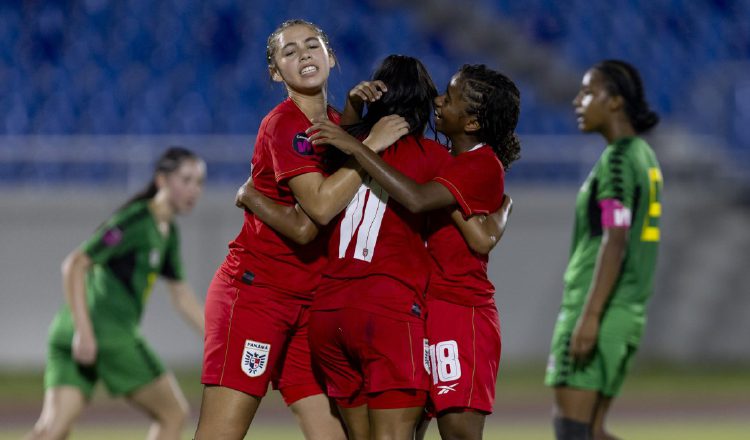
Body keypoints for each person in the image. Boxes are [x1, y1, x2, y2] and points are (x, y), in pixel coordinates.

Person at [194, 20, 404, 440]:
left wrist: (354, 124)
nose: (304, 54)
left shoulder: (334, 123)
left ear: (332, 57)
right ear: (275, 72)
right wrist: (371, 145)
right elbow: (321, 210)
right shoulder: (285, 124)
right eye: (289, 52)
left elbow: (313, 220)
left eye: (313, 45)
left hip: (310, 303)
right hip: (258, 295)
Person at [311, 64, 521, 440]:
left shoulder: (477, 163)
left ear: (472, 122)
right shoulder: (443, 162)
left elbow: (425, 203)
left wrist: (357, 143)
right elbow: (482, 234)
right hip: (423, 309)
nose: (438, 101)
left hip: (461, 310)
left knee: (459, 433)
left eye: (450, 98)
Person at [26, 147, 206, 440]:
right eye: (186, 180)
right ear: (161, 181)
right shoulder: (138, 220)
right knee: (173, 413)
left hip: (69, 328)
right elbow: (74, 264)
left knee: (52, 430)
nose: (194, 190)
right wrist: (85, 332)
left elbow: (182, 294)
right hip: (105, 333)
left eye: (199, 182)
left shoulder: (167, 232)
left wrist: (214, 339)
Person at [544, 59, 662, 440]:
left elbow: (616, 237)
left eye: (588, 92)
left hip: (601, 309)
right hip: (627, 313)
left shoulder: (618, 161)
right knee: (592, 432)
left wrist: (590, 316)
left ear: (615, 102)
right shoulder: (644, 156)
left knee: (571, 431)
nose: (578, 101)